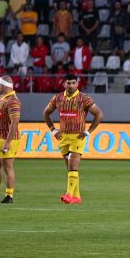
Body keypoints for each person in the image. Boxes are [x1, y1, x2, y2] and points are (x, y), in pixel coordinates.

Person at [42, 74, 103, 204]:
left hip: (77, 137)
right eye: (68, 83)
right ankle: (77, 196)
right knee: (70, 168)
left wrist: (88, 131)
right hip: (63, 137)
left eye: (73, 83)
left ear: (77, 84)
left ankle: (69, 195)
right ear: (64, 84)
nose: (70, 85)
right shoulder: (57, 98)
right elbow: (46, 112)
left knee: (73, 166)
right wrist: (53, 129)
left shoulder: (84, 99)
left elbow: (99, 114)